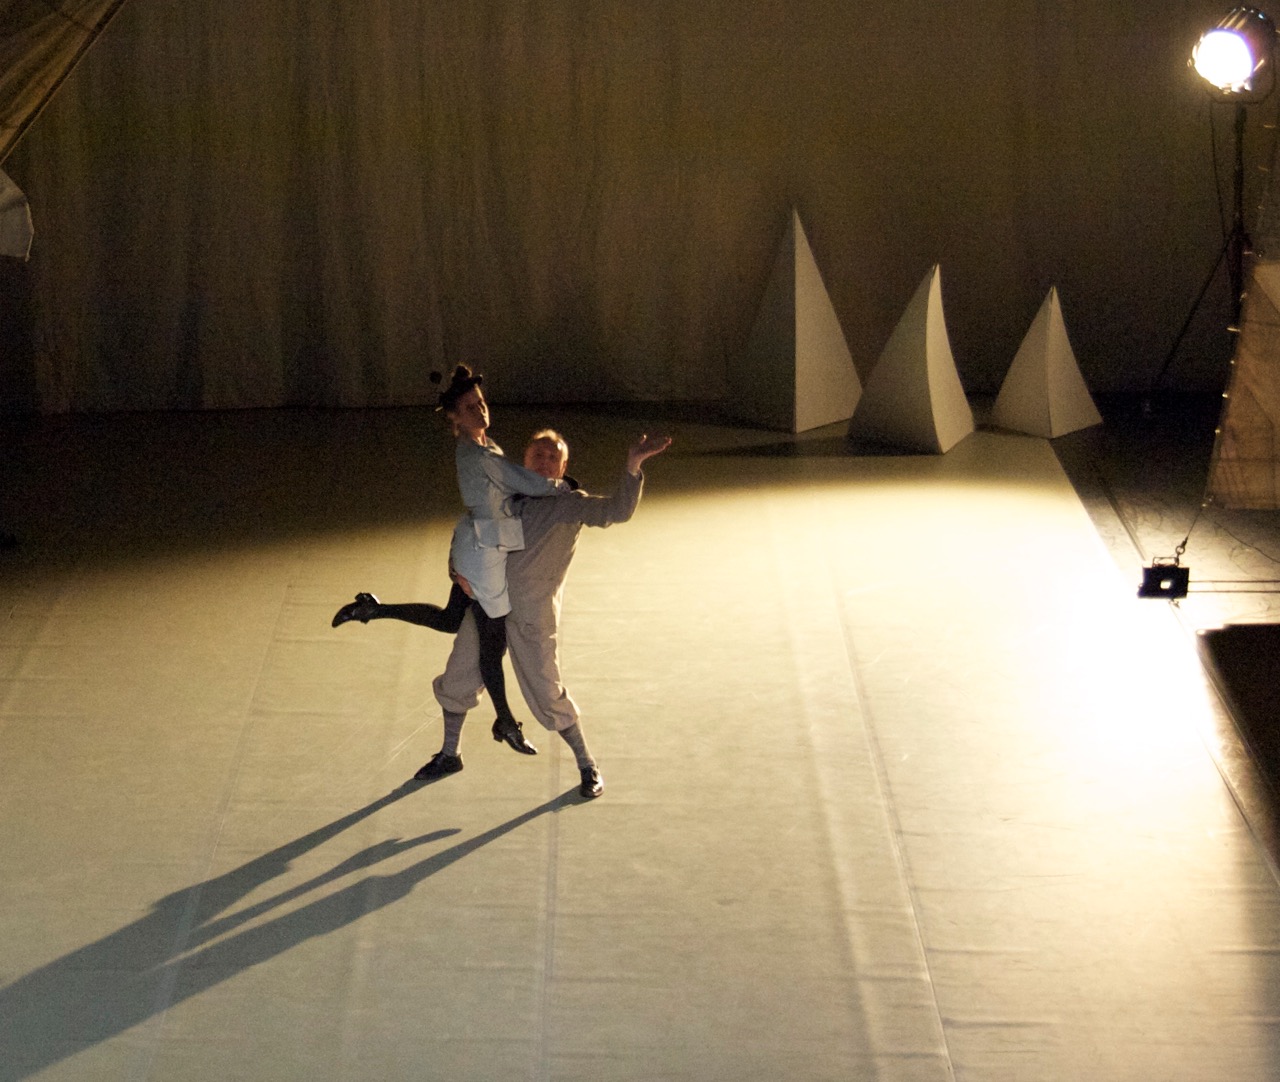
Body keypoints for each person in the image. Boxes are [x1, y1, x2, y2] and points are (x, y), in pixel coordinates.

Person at [414, 426, 671, 799]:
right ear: (524, 461)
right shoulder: (502, 497)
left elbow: (617, 510)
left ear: (563, 467)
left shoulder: (569, 503)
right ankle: (450, 754)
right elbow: (471, 537)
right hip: (487, 606)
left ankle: (587, 764)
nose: (544, 460)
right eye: (538, 454)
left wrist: (633, 465)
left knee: (548, 693)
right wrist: (457, 569)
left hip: (532, 617)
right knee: (457, 678)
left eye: (553, 456)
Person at [332, 365, 567, 755]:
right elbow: (522, 482)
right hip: (483, 559)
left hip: (474, 545)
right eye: (470, 407)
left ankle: (373, 609)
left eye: (481, 402)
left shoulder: (484, 446)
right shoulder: (481, 455)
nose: (481, 409)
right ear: (456, 418)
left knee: (450, 619)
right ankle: (505, 721)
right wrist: (561, 486)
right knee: (492, 645)